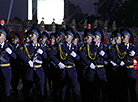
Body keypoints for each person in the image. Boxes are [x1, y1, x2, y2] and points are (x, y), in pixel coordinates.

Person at [49, 25, 80, 102]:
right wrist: (58, 63)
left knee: (74, 90)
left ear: (72, 38)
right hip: (63, 70)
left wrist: (76, 56)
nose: (65, 37)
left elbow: (79, 59)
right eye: (65, 35)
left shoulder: (76, 47)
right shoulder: (60, 46)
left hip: (72, 71)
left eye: (68, 35)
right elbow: (51, 54)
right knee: (63, 91)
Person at [16, 25, 47, 102]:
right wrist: (28, 61)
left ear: (36, 36)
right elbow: (19, 53)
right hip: (29, 71)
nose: (30, 36)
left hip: (39, 70)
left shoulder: (41, 47)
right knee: (29, 93)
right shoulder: (25, 46)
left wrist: (42, 52)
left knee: (40, 92)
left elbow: (46, 57)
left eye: (32, 34)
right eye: (29, 34)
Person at [0, 25, 17, 102]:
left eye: (0, 35)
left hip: (6, 70)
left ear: (4, 38)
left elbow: (15, 57)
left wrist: (11, 53)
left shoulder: (9, 47)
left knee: (6, 90)